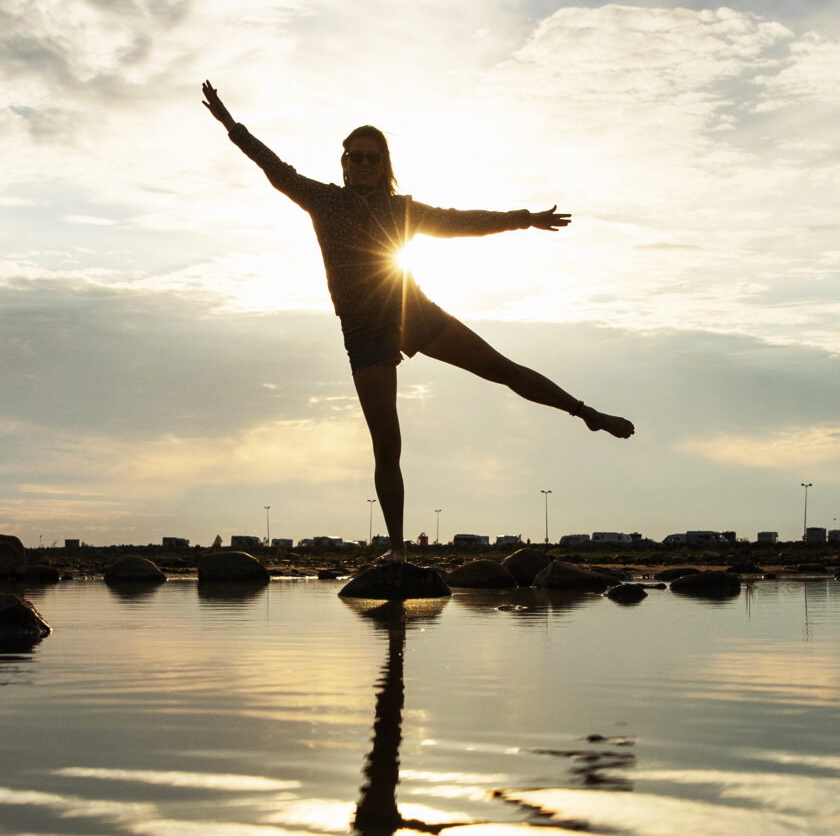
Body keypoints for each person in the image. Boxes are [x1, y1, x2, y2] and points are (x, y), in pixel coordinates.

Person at [201, 82, 632, 558]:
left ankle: (587, 414)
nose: (363, 164)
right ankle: (399, 551)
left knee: (502, 369)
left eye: (372, 157)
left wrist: (524, 218)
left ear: (384, 165)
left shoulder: (402, 209)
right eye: (355, 157)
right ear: (343, 164)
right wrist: (229, 123)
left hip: (412, 311)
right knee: (387, 442)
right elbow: (271, 165)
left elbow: (462, 221)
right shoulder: (323, 200)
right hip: (364, 334)